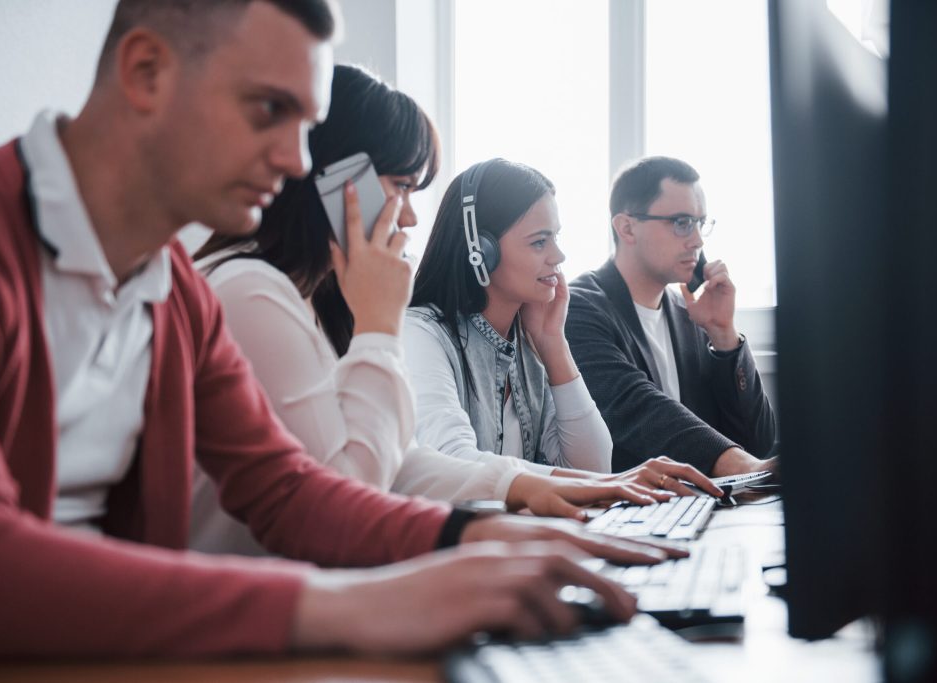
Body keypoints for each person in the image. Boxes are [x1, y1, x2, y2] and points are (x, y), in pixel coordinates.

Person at [0, 1, 673, 659]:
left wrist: (476, 533)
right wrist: (358, 602)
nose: (299, 163)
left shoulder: (176, 288)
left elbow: (286, 489)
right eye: (269, 109)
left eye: (305, 127)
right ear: (146, 72)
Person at [189, 66, 668, 556]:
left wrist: (529, 487)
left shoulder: (319, 302)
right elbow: (351, 488)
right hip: (251, 604)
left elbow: (398, 460)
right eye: (400, 186)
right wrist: (379, 325)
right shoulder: (252, 292)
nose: (411, 215)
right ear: (334, 183)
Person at [404, 159, 721, 497]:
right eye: (539, 242)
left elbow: (593, 464)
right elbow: (454, 460)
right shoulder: (421, 335)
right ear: (481, 252)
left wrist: (554, 345)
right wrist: (608, 484)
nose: (559, 256)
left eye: (555, 237)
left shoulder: (529, 341)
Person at [566, 156, 778, 476]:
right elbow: (636, 408)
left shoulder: (690, 314)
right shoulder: (579, 308)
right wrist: (741, 464)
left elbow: (757, 441)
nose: (697, 240)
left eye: (699, 222)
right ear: (626, 228)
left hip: (699, 507)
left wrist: (723, 334)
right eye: (681, 222)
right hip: (624, 512)